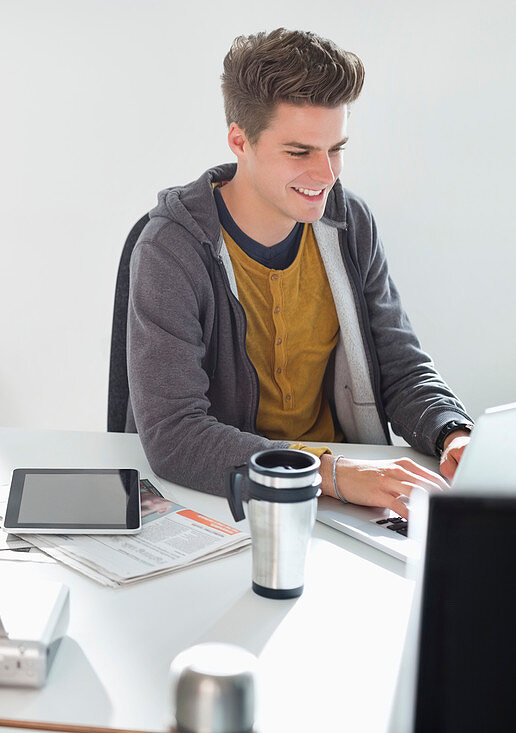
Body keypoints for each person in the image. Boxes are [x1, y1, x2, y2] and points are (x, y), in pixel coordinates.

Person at [126, 28, 473, 519]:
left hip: (352, 494)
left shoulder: (350, 225)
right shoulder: (172, 249)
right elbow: (175, 434)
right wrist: (327, 472)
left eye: (336, 148)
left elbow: (401, 367)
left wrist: (452, 433)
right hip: (234, 504)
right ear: (239, 140)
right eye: (300, 152)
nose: (327, 175)